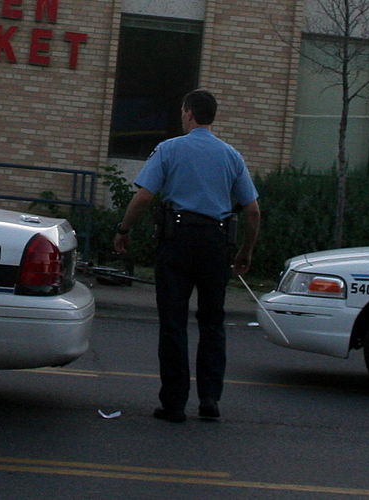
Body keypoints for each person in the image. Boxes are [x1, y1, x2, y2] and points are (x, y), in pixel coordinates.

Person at [113, 89, 260, 423]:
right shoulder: (231, 156)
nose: (182, 115)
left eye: (183, 111)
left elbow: (143, 197)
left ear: (190, 113)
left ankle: (174, 403)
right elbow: (252, 211)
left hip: (178, 240)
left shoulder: (169, 149)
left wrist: (123, 230)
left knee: (174, 323)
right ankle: (209, 399)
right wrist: (245, 251)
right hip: (215, 242)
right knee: (212, 323)